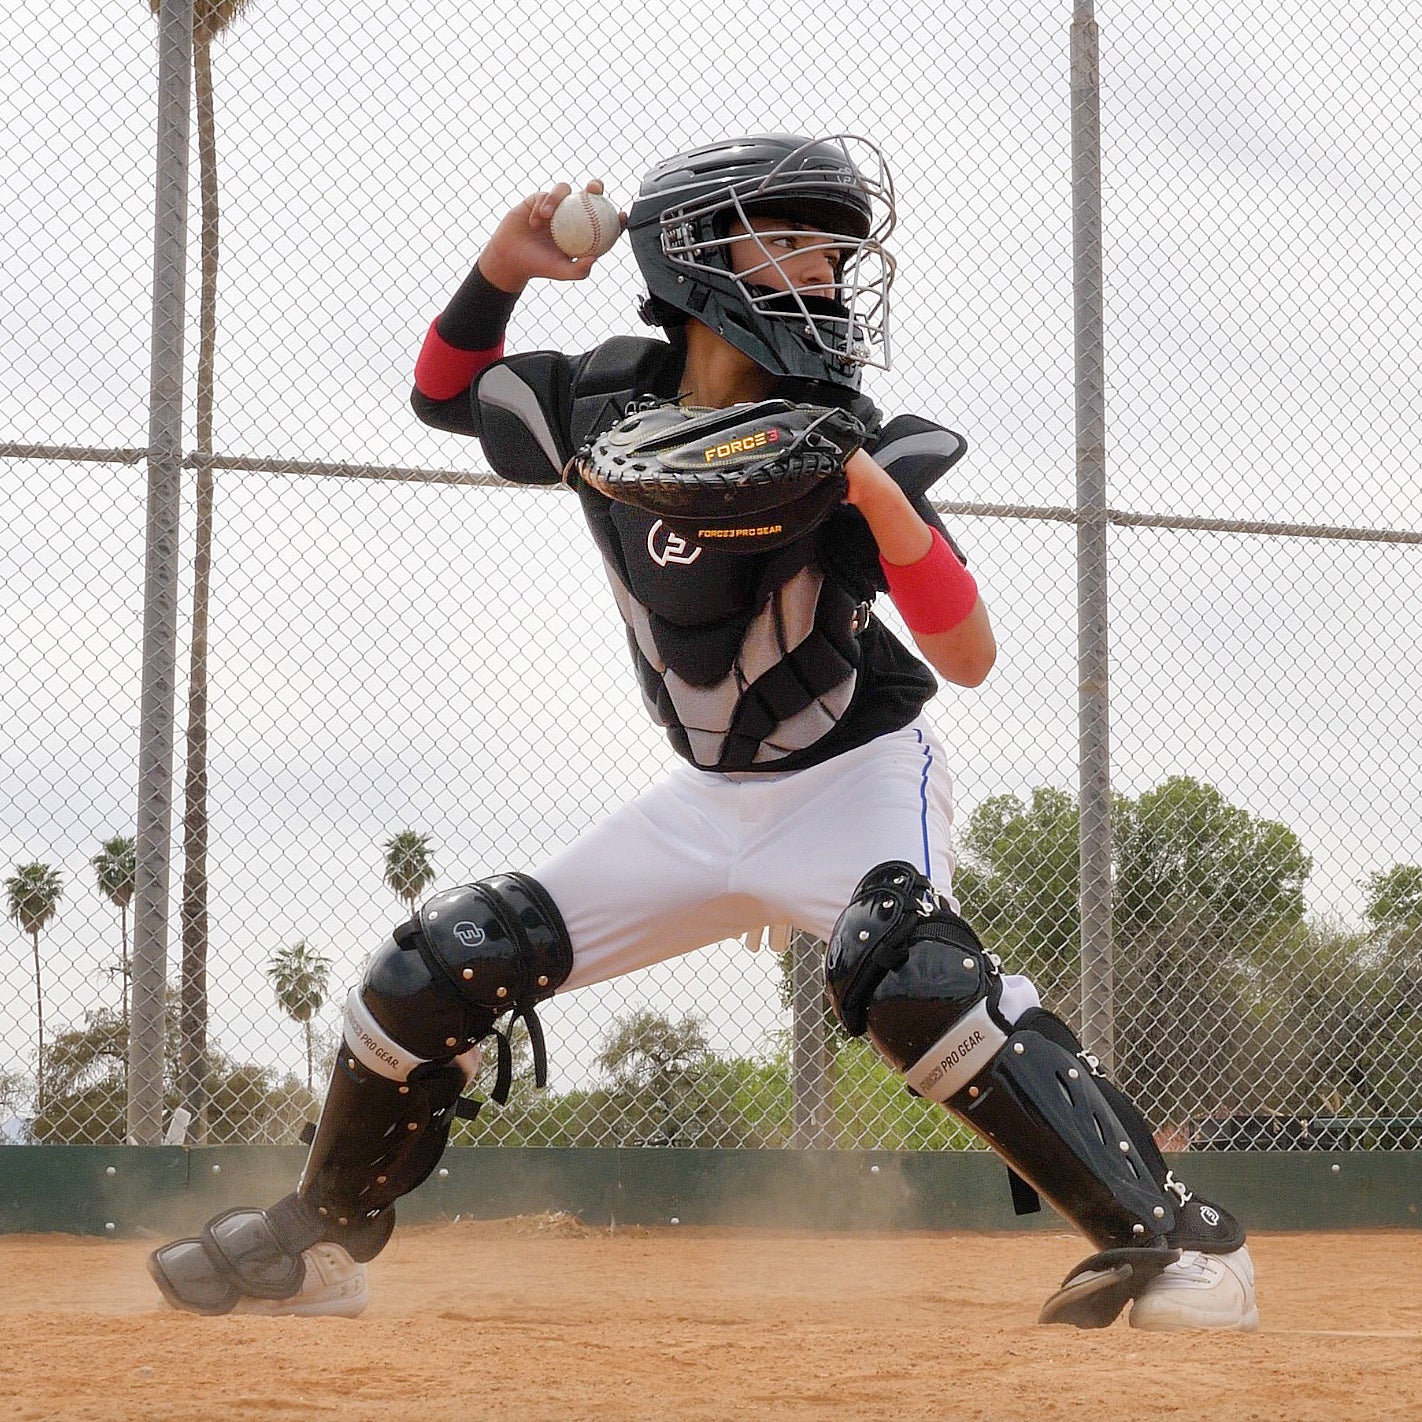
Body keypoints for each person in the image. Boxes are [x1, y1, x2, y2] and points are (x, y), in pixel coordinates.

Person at [148, 134, 1257, 1331]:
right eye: (785, 239)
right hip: (705, 799)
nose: (824, 271)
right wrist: (500, 269)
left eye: (832, 248)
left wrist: (877, 501)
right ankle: (323, 1243)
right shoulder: (602, 395)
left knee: (909, 969)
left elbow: (970, 656)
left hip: (856, 777)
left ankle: (1180, 1246)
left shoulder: (840, 433)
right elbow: (442, 391)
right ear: (691, 258)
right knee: (440, 963)